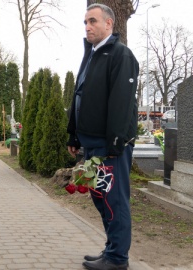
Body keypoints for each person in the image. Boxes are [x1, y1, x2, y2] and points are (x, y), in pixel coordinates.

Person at [66, 4, 139, 270]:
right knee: (101, 197)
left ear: (109, 24)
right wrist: (74, 135)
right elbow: (80, 97)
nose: (87, 26)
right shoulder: (92, 54)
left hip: (109, 146)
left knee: (115, 200)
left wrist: (115, 143)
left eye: (93, 21)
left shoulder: (120, 55)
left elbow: (121, 102)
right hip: (91, 143)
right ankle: (111, 249)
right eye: (85, 22)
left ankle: (118, 259)